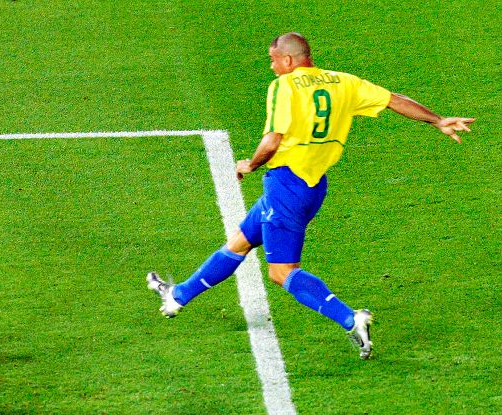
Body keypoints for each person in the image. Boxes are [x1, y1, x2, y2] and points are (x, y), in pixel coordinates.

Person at [147, 32, 475, 359]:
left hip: (286, 186)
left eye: (274, 60)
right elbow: (393, 99)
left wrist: (250, 165)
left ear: (288, 60)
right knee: (242, 240)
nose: (273, 67)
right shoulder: (342, 82)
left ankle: (350, 318)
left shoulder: (284, 87)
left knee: (281, 272)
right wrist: (437, 120)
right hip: (313, 187)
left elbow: (273, 141)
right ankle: (178, 296)